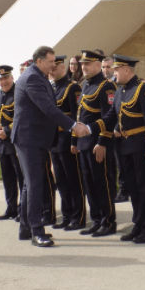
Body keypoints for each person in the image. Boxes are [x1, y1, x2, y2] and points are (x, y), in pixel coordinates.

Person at [12, 46, 88, 248]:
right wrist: (73, 125)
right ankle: (37, 231)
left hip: (34, 139)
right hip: (29, 139)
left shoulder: (39, 76)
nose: (53, 64)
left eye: (55, 61)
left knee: (30, 184)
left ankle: (26, 227)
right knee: (36, 184)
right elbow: (48, 109)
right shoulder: (33, 78)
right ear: (39, 61)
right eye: (50, 61)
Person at [89, 54, 145, 243]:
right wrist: (89, 128)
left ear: (127, 70)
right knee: (134, 189)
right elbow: (110, 117)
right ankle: (138, 225)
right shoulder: (120, 91)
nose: (114, 73)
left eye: (117, 69)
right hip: (125, 146)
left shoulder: (144, 89)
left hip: (140, 146)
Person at [76, 50, 118, 237]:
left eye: (87, 64)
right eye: (82, 64)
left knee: (103, 183)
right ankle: (96, 219)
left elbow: (109, 118)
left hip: (98, 144)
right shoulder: (86, 84)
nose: (83, 67)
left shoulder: (106, 86)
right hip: (85, 143)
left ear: (98, 65)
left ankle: (108, 222)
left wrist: (102, 142)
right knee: (89, 184)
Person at [49, 55, 87, 231]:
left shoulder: (72, 87)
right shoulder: (52, 87)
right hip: (55, 140)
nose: (51, 71)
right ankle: (66, 215)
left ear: (62, 68)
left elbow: (75, 115)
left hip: (67, 139)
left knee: (74, 180)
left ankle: (77, 217)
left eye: (54, 68)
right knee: (61, 181)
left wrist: (74, 141)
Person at [0, 65, 24, 221]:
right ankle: (11, 208)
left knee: (22, 178)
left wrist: (7, 131)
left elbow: (22, 117)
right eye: (1, 79)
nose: (3, 81)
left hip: (17, 144)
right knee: (8, 179)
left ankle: (23, 209)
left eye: (6, 78)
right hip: (3, 145)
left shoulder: (19, 93)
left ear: (12, 78)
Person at [102, 55, 128, 203]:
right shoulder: (105, 84)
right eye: (104, 67)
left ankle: (124, 191)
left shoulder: (117, 84)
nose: (106, 70)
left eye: (109, 67)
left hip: (118, 130)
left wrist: (117, 126)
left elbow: (121, 108)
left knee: (120, 162)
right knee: (113, 161)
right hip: (107, 130)